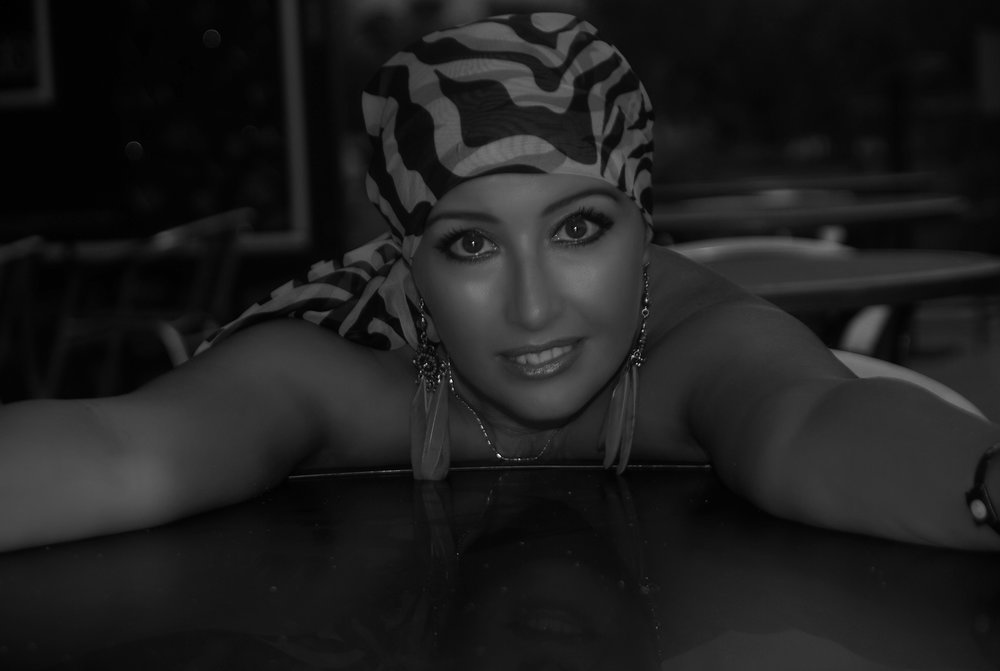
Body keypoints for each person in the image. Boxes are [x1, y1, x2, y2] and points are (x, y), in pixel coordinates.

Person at [0, 12, 998, 553]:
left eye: (578, 228)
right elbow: (127, 449)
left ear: (643, 230)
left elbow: (813, 423)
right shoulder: (353, 372)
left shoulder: (704, 349)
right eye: (471, 245)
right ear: (409, 262)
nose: (532, 307)